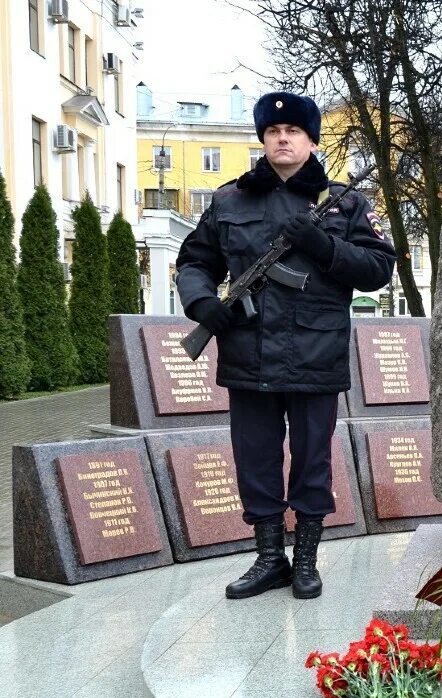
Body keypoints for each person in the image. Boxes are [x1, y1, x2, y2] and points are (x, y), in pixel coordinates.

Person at [176, 91, 395, 600]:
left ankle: (306, 561)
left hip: (315, 353)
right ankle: (269, 558)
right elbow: (194, 262)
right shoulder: (230, 200)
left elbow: (379, 268)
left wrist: (324, 245)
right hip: (247, 352)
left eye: (293, 131)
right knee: (254, 458)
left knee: (312, 460)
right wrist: (201, 302)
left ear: (312, 140)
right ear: (263, 140)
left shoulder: (344, 201)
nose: (282, 138)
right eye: (273, 132)